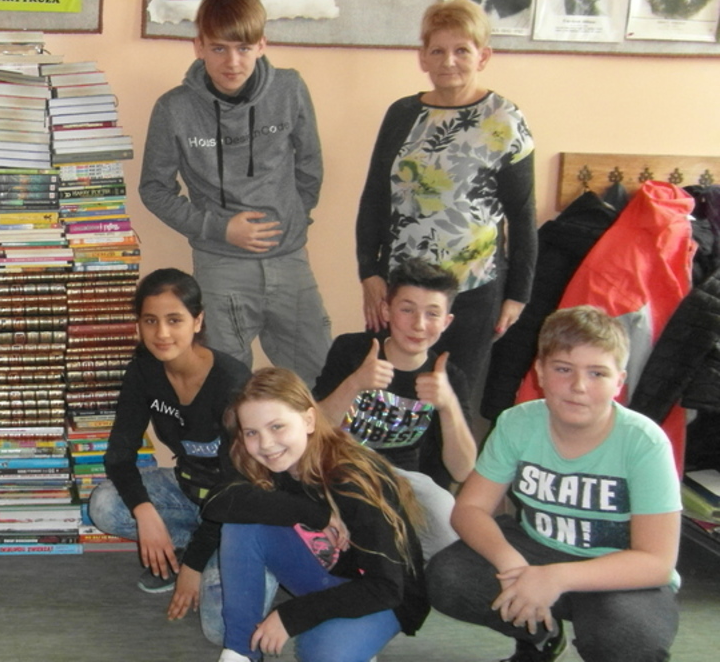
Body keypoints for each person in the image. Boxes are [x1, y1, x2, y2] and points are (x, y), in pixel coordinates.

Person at [427, 306, 681, 662]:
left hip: (616, 569)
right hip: (537, 548)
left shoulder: (644, 442)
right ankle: (539, 636)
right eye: (563, 369)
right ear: (540, 372)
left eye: (597, 373)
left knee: (628, 640)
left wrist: (556, 578)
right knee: (448, 577)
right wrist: (512, 566)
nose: (578, 386)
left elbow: (657, 561)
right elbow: (469, 509)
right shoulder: (517, 424)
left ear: (619, 382)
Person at [139, 0, 331, 383]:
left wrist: (294, 219)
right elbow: (154, 188)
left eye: (243, 48)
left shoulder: (289, 89)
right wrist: (219, 228)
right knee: (226, 381)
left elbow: (310, 164)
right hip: (220, 264)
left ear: (262, 45)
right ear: (199, 47)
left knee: (316, 377)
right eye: (219, 48)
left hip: (289, 260)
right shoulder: (174, 108)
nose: (232, 62)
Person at [356, 0, 536, 416]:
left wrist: (517, 296)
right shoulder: (403, 113)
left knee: (455, 401)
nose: (448, 61)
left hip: (473, 290)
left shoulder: (505, 120)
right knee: (390, 399)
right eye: (437, 50)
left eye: (462, 50)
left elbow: (522, 214)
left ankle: (449, 462)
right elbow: (375, 197)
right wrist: (369, 272)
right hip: (401, 288)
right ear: (422, 56)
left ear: (483, 56)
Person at [206, 367, 428, 662]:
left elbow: (387, 588)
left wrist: (291, 615)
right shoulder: (266, 462)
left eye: (277, 426)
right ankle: (240, 653)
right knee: (241, 525)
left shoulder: (351, 479)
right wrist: (317, 515)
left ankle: (354, 638)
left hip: (385, 597)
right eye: (252, 433)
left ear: (309, 420)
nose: (266, 444)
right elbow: (217, 503)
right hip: (328, 575)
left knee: (319, 654)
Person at [87, 268, 252, 643]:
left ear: (198, 321)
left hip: (238, 511)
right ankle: (188, 547)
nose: (161, 333)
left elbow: (238, 488)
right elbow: (119, 456)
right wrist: (145, 512)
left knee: (221, 629)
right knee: (105, 505)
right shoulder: (144, 369)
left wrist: (192, 567)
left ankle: (211, 556)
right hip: (190, 491)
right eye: (150, 320)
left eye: (174, 320)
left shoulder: (231, 381)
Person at [313, 258, 475, 561]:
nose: (419, 325)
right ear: (386, 311)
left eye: (432, 314)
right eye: (407, 309)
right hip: (340, 469)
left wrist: (448, 405)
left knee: (448, 528)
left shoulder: (449, 377)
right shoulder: (352, 351)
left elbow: (462, 469)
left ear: (446, 321)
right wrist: (354, 383)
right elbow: (313, 429)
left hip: (402, 483)